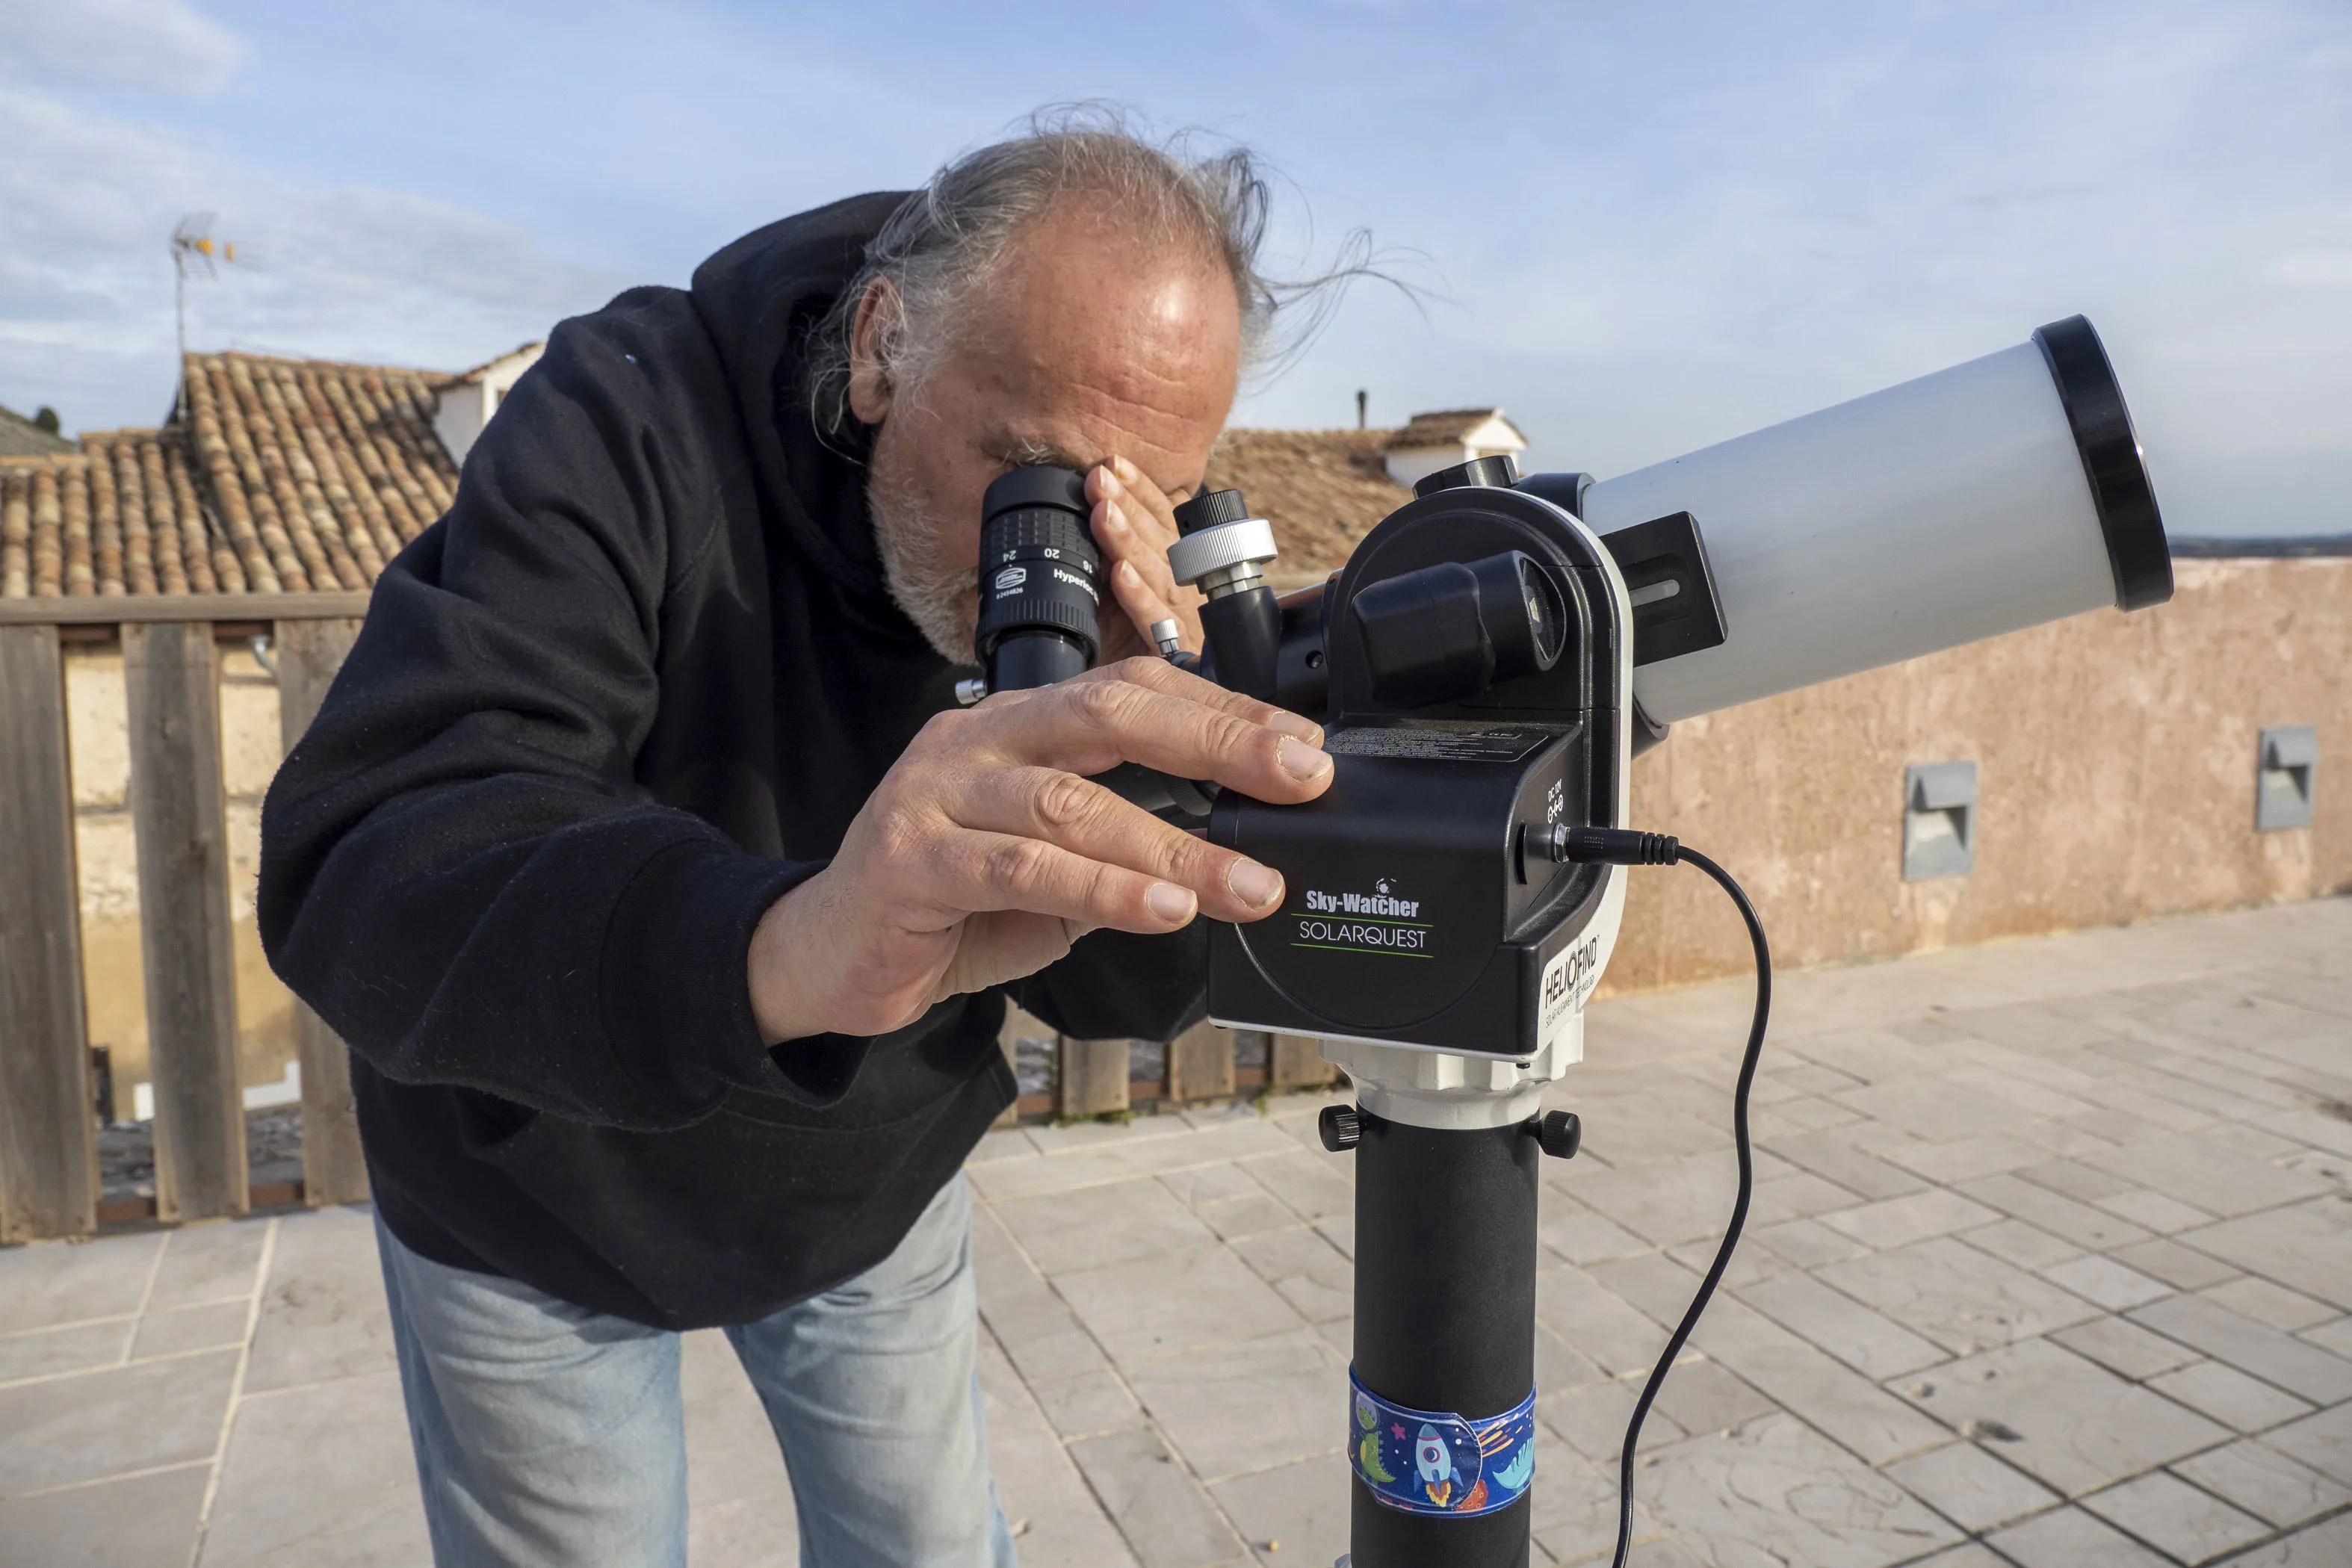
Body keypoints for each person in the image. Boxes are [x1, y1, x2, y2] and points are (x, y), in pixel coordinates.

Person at [258, 117, 1337, 1567]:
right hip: (533, 1196)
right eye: (1028, 472)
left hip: (860, 1189)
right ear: (883, 347)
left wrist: (1135, 740)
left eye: (1134, 500)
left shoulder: (1094, 566)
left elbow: (1121, 998)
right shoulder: (629, 410)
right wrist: (788, 948)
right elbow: (376, 851)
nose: (1062, 554)